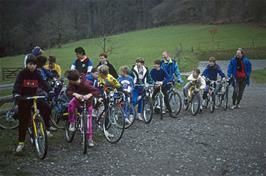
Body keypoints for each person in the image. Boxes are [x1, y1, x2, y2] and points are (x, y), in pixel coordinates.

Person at [13, 54, 53, 153]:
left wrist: (50, 90)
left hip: (34, 97)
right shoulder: (22, 73)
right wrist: (16, 94)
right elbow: (17, 84)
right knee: (24, 121)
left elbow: (43, 83)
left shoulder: (37, 73)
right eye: (30, 64)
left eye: (34, 64)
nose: (32, 66)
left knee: (47, 107)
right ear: (27, 64)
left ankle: (44, 127)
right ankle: (21, 143)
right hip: (23, 98)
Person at [66, 70, 100, 147]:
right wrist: (75, 94)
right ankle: (72, 122)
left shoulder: (86, 84)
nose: (69, 81)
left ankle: (90, 138)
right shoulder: (71, 83)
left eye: (69, 80)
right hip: (78, 99)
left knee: (89, 121)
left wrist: (89, 95)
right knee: (71, 105)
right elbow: (68, 91)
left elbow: (96, 91)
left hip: (88, 102)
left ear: (72, 80)